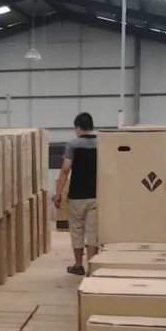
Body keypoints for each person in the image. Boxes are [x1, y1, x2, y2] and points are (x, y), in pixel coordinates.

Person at [54, 113, 98, 276]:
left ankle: (78, 265)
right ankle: (92, 267)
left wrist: (58, 194)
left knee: (77, 230)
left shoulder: (73, 145)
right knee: (93, 232)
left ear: (78, 127)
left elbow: (66, 170)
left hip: (77, 196)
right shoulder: (102, 143)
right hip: (96, 195)